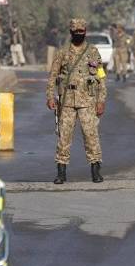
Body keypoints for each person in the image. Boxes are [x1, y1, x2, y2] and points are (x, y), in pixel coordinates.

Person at [46, 18, 107, 184]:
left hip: (88, 101)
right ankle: (61, 172)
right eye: (76, 32)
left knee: (91, 135)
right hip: (66, 102)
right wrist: (50, 96)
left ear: (85, 32)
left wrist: (101, 100)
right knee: (64, 137)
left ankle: (95, 170)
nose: (79, 34)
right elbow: (52, 76)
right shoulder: (63, 52)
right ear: (71, 32)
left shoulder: (93, 52)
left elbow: (101, 77)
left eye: (81, 32)